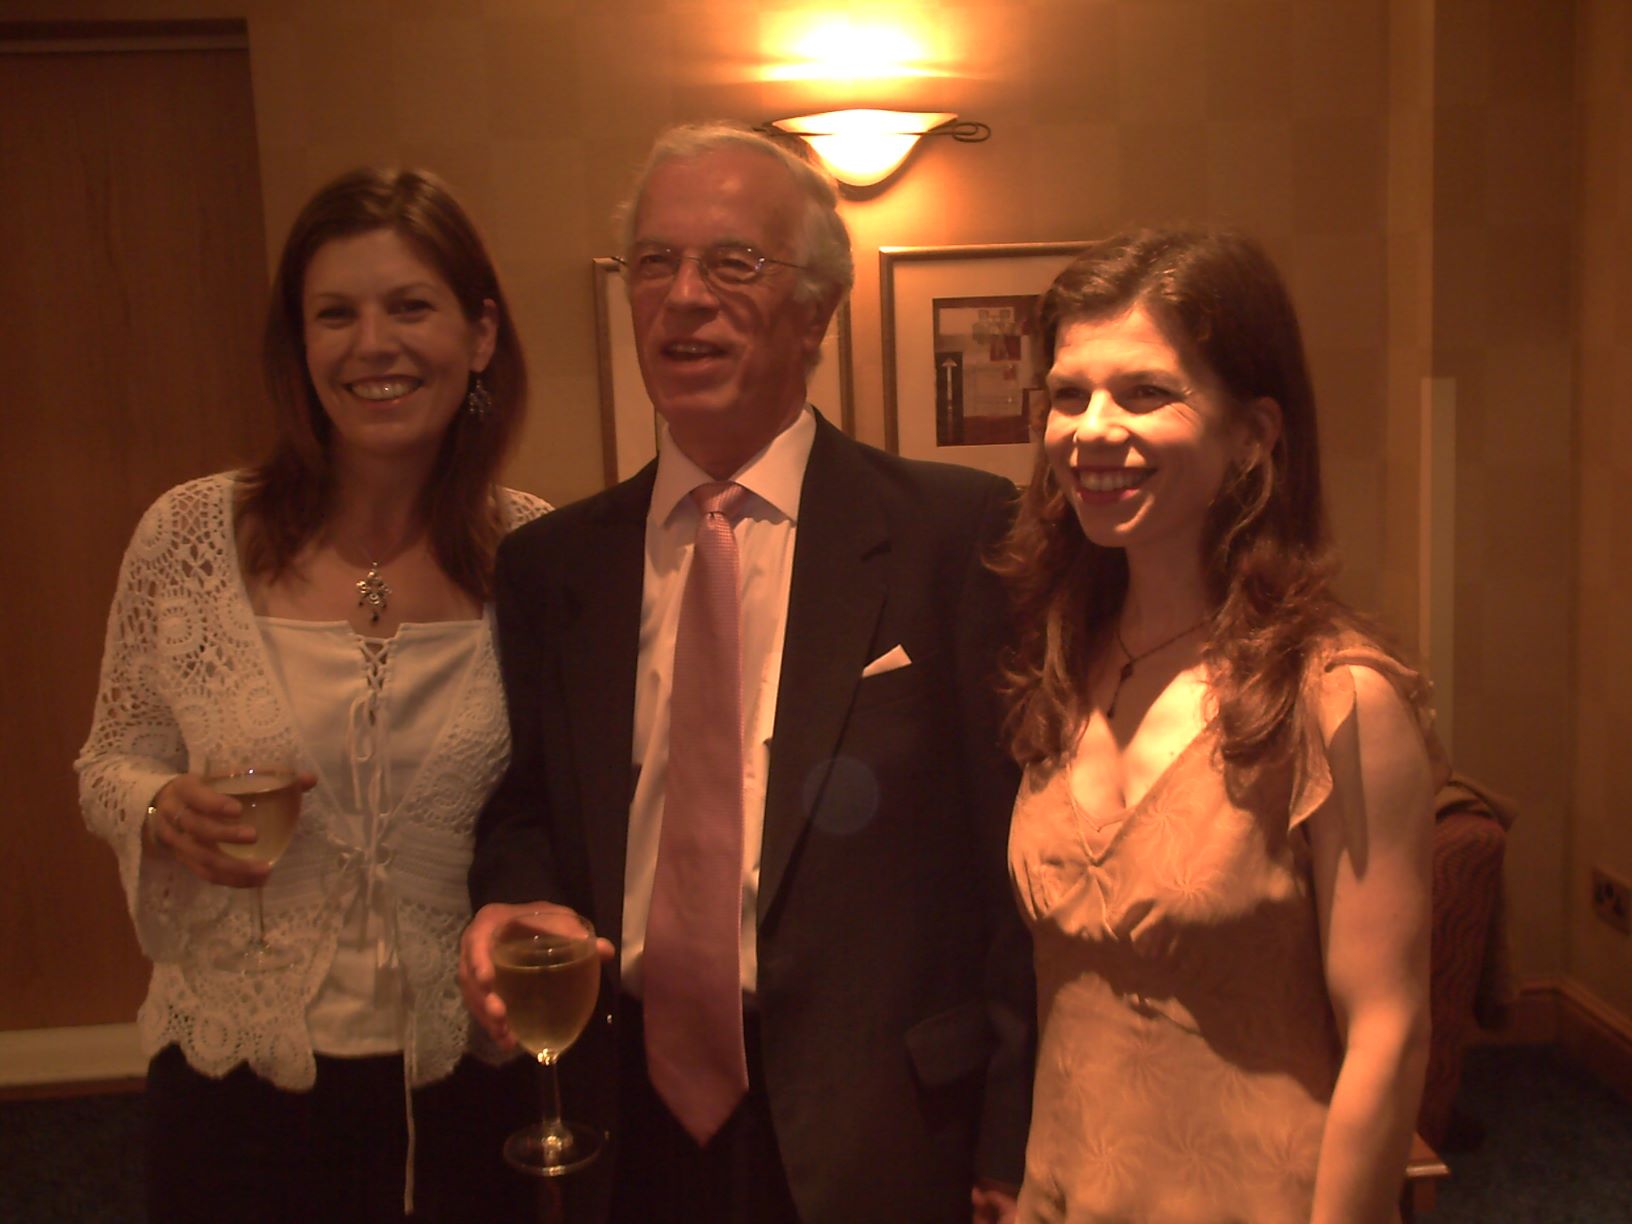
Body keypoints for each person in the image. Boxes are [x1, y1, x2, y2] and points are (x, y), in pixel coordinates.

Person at [459, 121, 1033, 1224]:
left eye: (733, 263)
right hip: (620, 1118)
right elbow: (525, 805)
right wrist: (519, 896)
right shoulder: (551, 565)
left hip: (883, 1125)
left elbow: (1014, 861)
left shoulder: (951, 536)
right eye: (656, 263)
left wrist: (1011, 1140)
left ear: (816, 310)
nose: (684, 296)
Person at [76, 167, 549, 1222]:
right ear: (299, 347)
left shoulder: (538, 555)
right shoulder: (191, 538)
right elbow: (108, 762)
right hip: (237, 1083)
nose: (370, 344)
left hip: (467, 1077)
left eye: (409, 307)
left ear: (478, 337)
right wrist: (159, 808)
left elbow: (563, 808)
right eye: (335, 314)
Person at [994, 227, 1443, 1223]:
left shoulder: (1339, 698)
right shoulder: (1061, 662)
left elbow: (1389, 1031)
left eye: (1146, 392)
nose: (1091, 429)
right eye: (1070, 394)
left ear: (1254, 433)